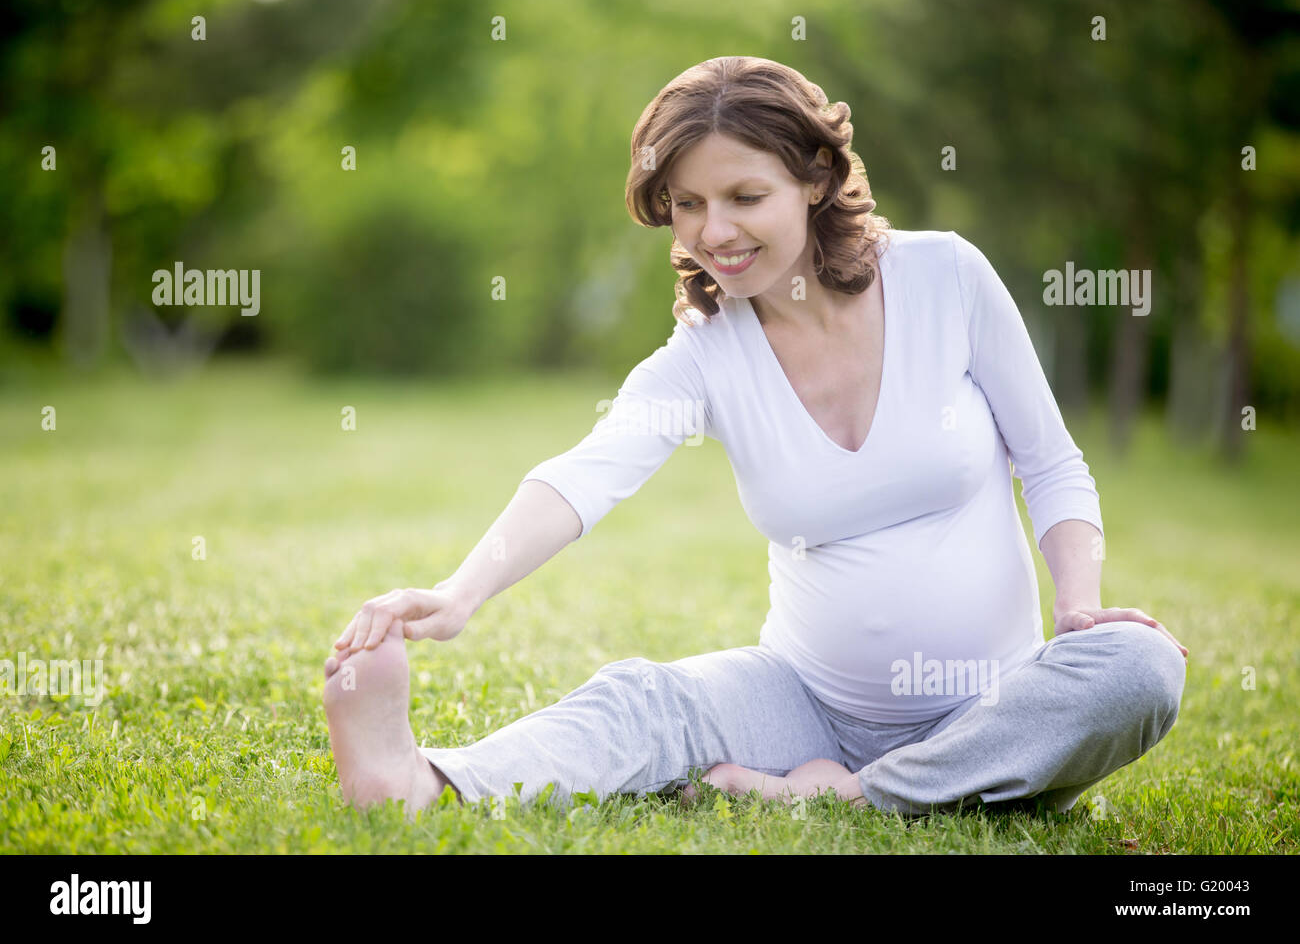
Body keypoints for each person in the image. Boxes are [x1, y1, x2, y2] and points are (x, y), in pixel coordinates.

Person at [322, 55, 1188, 820]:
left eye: (745, 197)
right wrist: (461, 592)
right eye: (687, 205)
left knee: (1140, 667)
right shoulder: (705, 356)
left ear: (815, 178)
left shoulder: (946, 277)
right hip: (802, 701)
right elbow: (584, 476)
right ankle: (425, 782)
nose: (715, 233)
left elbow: (1050, 460)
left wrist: (1075, 605)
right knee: (646, 699)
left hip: (994, 711)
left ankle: (861, 790)